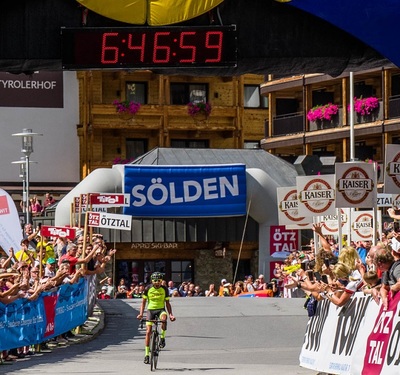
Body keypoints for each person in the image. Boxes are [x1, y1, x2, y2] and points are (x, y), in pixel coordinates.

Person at [136, 272, 176, 365]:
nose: (157, 283)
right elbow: (143, 303)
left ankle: (162, 337)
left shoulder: (164, 289)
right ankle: (146, 355)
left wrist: (171, 314)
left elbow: (167, 303)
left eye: (159, 281)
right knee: (148, 331)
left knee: (164, 319)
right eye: (155, 281)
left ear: (161, 281)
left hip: (161, 309)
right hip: (150, 310)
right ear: (152, 281)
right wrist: (141, 314)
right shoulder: (148, 288)